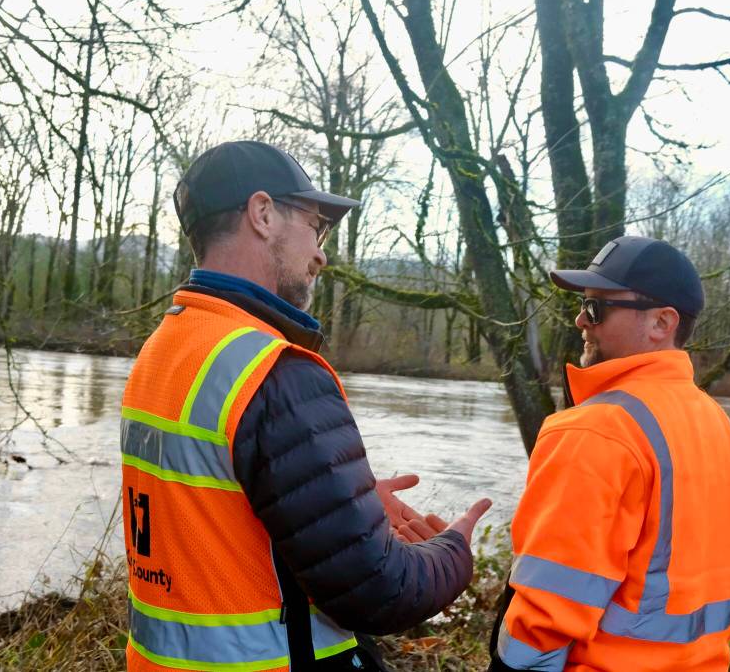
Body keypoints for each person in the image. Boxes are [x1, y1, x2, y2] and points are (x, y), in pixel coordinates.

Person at [120, 140, 491, 671]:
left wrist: (333, 505)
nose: (321, 254)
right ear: (262, 213)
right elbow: (381, 591)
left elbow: (211, 513)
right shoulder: (274, 371)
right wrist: (453, 550)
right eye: (316, 227)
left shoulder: (165, 348)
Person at [488, 236, 730, 671]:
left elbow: (547, 614)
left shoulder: (596, 432)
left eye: (596, 308)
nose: (580, 320)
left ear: (661, 323)